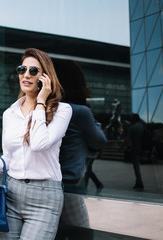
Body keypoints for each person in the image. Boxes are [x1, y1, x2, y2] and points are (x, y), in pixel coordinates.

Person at [0, 48, 72, 240]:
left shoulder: (62, 110)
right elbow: (10, 159)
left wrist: (41, 102)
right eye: (22, 69)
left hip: (44, 198)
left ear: (45, 77)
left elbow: (39, 143)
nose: (26, 75)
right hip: (11, 193)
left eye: (33, 71)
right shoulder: (9, 113)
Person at [56, 61, 107, 235]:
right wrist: (96, 123)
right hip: (70, 186)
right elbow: (99, 141)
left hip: (49, 184)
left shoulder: (48, 109)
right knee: (84, 234)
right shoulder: (79, 111)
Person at [124, 113, 144, 189]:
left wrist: (121, 147)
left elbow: (127, 139)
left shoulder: (132, 128)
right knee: (137, 166)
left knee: (136, 167)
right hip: (141, 149)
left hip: (135, 149)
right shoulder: (142, 127)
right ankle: (138, 182)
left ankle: (140, 182)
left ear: (133, 119)